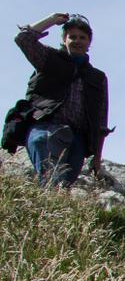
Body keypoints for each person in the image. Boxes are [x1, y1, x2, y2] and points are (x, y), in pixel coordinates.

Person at [10, 12, 109, 186]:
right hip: (46, 126)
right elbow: (23, 39)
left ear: (89, 43)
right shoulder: (49, 59)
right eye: (72, 37)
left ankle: (45, 211)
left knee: (62, 186)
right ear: (64, 40)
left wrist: (97, 157)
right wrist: (51, 20)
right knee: (51, 179)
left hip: (78, 137)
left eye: (82, 37)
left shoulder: (97, 77)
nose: (77, 41)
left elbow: (100, 119)